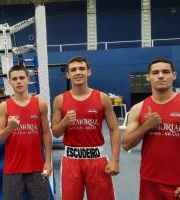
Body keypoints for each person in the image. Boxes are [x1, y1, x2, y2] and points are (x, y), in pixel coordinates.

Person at [52, 56, 120, 200]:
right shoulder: (60, 100)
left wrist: (115, 160)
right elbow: (56, 133)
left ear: (89, 72)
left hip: (97, 159)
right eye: (73, 70)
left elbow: (114, 129)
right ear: (68, 74)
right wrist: (64, 122)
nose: (78, 72)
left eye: (82, 68)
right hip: (71, 160)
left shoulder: (102, 98)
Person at [122, 58, 180, 200]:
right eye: (155, 72)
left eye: (165, 72)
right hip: (149, 182)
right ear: (148, 77)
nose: (160, 75)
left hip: (176, 183)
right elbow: (126, 144)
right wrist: (146, 126)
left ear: (174, 75)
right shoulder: (138, 108)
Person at [0, 64, 52, 200]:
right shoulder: (4, 106)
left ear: (28, 79)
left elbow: (45, 133)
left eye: (21, 78)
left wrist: (48, 161)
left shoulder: (40, 104)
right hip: (13, 167)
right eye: (14, 79)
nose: (18, 81)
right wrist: (10, 127)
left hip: (37, 166)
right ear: (10, 82)